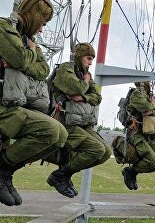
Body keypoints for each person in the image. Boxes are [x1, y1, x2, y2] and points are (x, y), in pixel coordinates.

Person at [0, 0, 69, 206]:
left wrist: (26, 57)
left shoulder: (29, 42)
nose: (42, 30)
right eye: (42, 23)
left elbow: (43, 71)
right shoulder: (0, 27)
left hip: (13, 106)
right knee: (50, 131)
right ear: (34, 15)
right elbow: (20, 58)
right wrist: (27, 57)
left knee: (60, 134)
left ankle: (4, 172)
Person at [44, 42, 111, 197]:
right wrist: (85, 84)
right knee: (96, 150)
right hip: (64, 121)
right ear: (80, 57)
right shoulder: (65, 69)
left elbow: (97, 97)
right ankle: (60, 176)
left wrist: (82, 97)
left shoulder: (86, 75)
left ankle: (63, 174)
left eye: (92, 59)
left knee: (106, 152)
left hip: (83, 122)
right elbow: (75, 88)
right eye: (88, 58)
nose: (90, 62)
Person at [121, 81, 155, 190]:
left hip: (149, 134)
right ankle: (130, 172)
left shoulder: (150, 96)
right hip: (136, 133)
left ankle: (132, 172)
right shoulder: (136, 94)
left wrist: (152, 112)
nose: (150, 83)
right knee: (153, 160)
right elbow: (146, 107)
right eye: (148, 81)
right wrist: (152, 106)